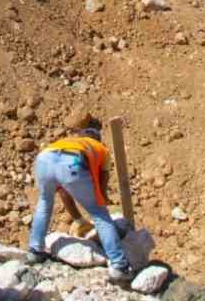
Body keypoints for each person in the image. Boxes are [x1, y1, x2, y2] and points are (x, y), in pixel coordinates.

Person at [26, 114, 134, 285]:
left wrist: (79, 219)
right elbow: (102, 182)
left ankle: (34, 250)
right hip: (72, 163)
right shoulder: (100, 149)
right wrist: (101, 200)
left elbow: (64, 192)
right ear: (98, 140)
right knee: (99, 212)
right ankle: (119, 265)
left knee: (45, 202)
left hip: (44, 159)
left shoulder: (70, 141)